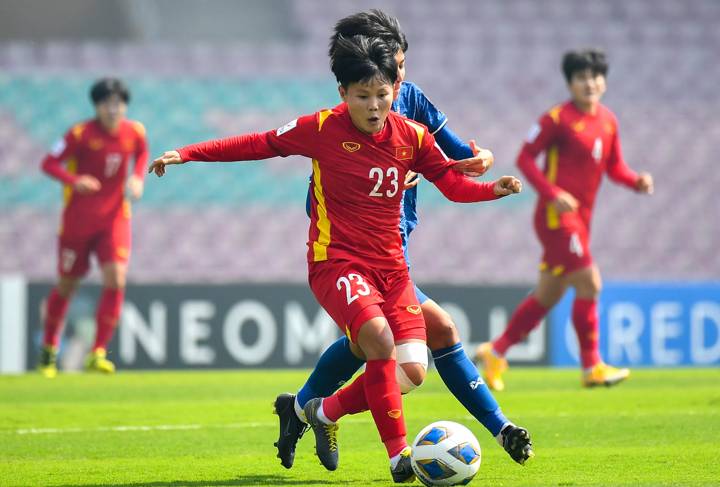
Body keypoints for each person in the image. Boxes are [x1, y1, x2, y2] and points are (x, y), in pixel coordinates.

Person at [150, 35, 521, 482]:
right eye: (363, 96)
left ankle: (317, 411)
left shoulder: (413, 134)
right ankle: (398, 456)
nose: (374, 105)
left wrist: (490, 191)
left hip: (392, 269)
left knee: (413, 372)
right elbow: (260, 143)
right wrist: (187, 153)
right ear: (343, 93)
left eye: (382, 95)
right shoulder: (322, 128)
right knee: (379, 342)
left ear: (394, 91)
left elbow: (451, 182)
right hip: (337, 262)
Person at [275, 9, 533, 472]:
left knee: (368, 346)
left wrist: (481, 159)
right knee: (413, 348)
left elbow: (458, 159)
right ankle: (495, 427)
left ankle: (302, 409)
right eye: (392, 63)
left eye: (400, 66)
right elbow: (327, 197)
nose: (397, 77)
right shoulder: (348, 117)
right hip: (360, 254)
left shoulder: (412, 101)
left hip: (397, 248)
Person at [475, 49, 654, 390]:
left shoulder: (608, 120)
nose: (589, 83)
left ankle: (495, 351)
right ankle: (591, 367)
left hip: (581, 220)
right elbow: (524, 159)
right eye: (581, 77)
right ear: (570, 83)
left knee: (549, 294)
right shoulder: (556, 119)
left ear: (603, 81)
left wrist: (637, 181)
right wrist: (552, 193)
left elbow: (614, 167)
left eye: (595, 76)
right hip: (556, 218)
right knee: (590, 283)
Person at [38, 78, 148, 378]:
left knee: (116, 278)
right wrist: (75, 181)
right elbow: (48, 163)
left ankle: (97, 351)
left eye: (118, 103)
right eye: (107, 104)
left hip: (114, 218)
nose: (113, 110)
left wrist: (138, 178)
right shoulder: (79, 134)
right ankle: (49, 348)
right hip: (78, 222)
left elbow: (141, 155)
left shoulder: (134, 132)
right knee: (67, 284)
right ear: (96, 106)